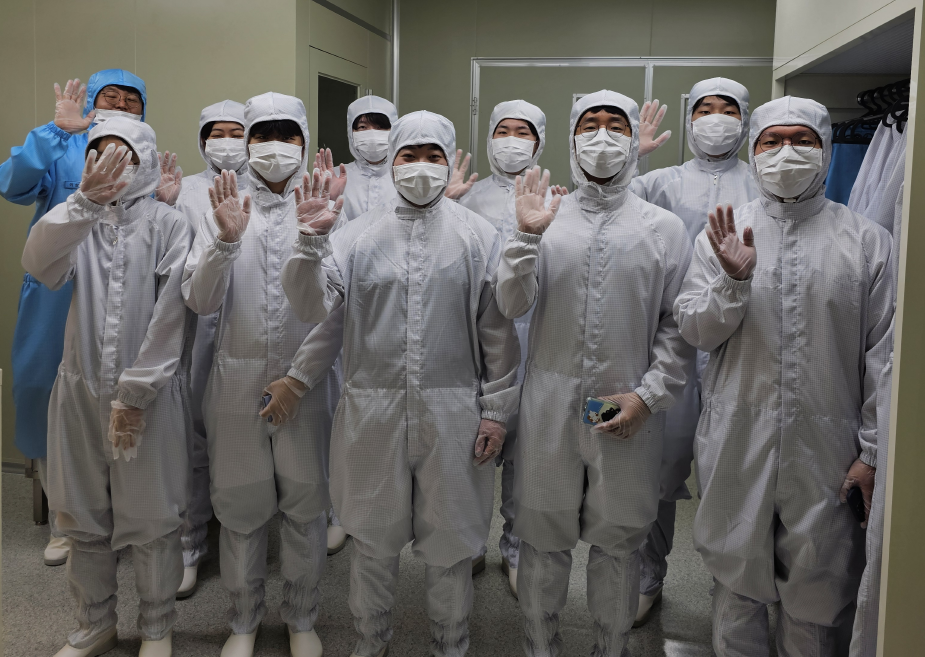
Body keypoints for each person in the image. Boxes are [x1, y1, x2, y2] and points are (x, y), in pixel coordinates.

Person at [279, 110, 521, 657]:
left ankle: (450, 643)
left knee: (451, 545)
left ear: (449, 160)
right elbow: (313, 307)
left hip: (453, 412)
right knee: (371, 540)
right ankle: (371, 642)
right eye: (409, 156)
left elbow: (498, 335)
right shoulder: (356, 235)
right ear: (392, 161)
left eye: (434, 156)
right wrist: (309, 244)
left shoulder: (477, 236)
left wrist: (495, 412)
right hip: (371, 411)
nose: (421, 168)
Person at [674, 96, 893, 656]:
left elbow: (883, 356)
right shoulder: (723, 234)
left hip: (830, 447)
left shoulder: (866, 241)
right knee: (735, 582)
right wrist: (731, 282)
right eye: (772, 141)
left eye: (802, 140)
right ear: (754, 151)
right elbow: (695, 330)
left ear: (825, 150)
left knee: (820, 591)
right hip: (736, 436)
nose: (786, 152)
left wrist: (872, 451)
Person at [495, 90, 694, 657]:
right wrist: (526, 237)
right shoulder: (543, 217)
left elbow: (677, 327)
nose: (601, 137)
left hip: (625, 404)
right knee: (541, 538)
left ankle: (610, 647)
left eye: (615, 126)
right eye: (589, 124)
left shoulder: (663, 229)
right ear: (571, 138)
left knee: (619, 542)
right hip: (549, 406)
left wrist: (648, 396)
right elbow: (510, 304)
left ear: (633, 141)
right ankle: (540, 647)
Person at [21, 117, 191, 657]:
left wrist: (136, 392)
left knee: (154, 516)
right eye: (100, 154)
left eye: (124, 156)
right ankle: (95, 623)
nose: (111, 166)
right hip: (79, 389)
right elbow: (38, 263)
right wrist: (81, 205)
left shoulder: (168, 223)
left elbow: (173, 314)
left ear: (146, 160)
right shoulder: (79, 220)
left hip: (150, 397)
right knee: (82, 514)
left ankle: (157, 627)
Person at [182, 92, 341, 657]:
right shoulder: (221, 206)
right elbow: (199, 301)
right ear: (248, 144)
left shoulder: (323, 206)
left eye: (287, 134)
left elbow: (334, 310)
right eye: (262, 135)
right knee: (240, 506)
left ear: (304, 141)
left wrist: (299, 378)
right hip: (235, 379)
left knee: (305, 504)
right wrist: (224, 243)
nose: (275, 146)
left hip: (308, 384)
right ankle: (243, 621)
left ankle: (301, 618)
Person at [0, 69, 148, 568]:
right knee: (44, 394)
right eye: (111, 97)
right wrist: (55, 132)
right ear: (91, 102)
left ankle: (118, 515)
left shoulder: (144, 154)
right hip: (54, 293)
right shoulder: (63, 146)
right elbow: (11, 185)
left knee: (116, 398)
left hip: (119, 295)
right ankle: (66, 521)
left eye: (131, 101)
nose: (120, 106)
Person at [628, 77, 760, 625]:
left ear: (745, 121)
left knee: (736, 467)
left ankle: (734, 585)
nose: (715, 118)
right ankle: (646, 576)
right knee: (657, 464)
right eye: (704, 109)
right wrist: (632, 156)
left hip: (741, 341)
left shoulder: (762, 182)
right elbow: (604, 208)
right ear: (689, 121)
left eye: (728, 109)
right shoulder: (659, 182)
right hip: (669, 338)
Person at [455, 99, 547, 598]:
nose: (512, 140)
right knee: (470, 447)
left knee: (524, 454)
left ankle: (515, 546)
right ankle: (468, 542)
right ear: (489, 137)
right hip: (479, 342)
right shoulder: (466, 197)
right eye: (503, 130)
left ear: (540, 140)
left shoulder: (553, 194)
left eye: (523, 131)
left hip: (535, 340)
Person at [172, 99, 248, 598]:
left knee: (250, 440)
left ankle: (250, 538)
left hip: (250, 328)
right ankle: (190, 544)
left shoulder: (274, 190)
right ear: (202, 141)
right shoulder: (184, 192)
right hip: (197, 329)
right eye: (216, 133)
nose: (226, 142)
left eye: (236, 132)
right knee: (193, 438)